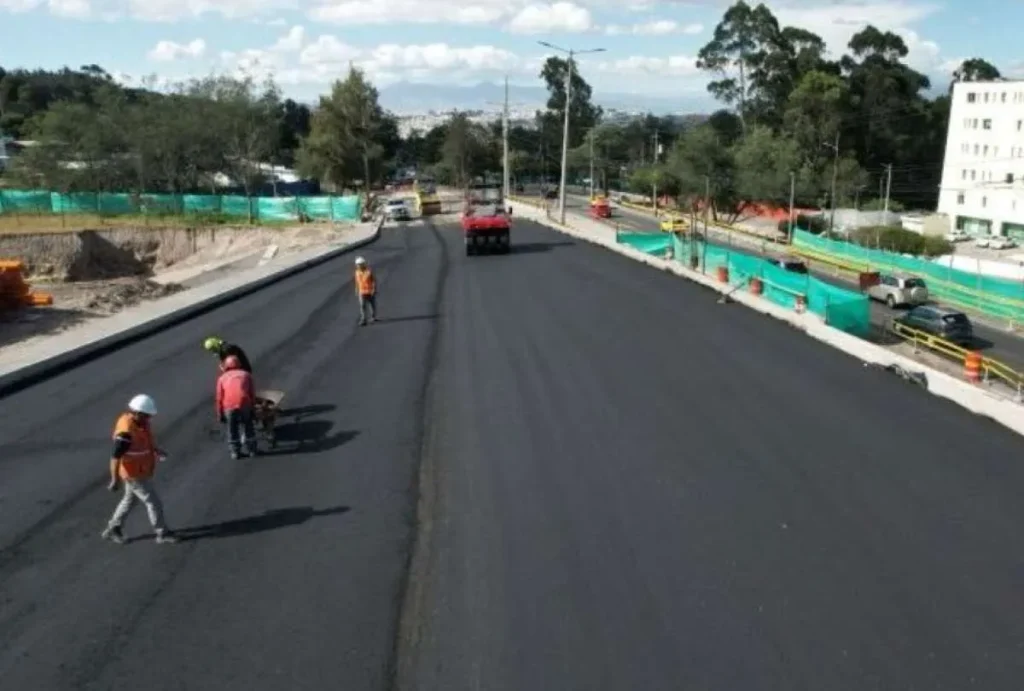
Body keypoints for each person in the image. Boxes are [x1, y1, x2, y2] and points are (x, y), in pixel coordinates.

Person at [101, 394, 179, 545]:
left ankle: (113, 528)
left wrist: (156, 450)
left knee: (129, 500)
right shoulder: (125, 433)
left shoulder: (140, 423)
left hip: (140, 469)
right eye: (146, 415)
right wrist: (114, 479)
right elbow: (115, 457)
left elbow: (144, 441)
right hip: (133, 473)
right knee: (153, 502)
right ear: (136, 412)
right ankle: (162, 532)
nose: (149, 419)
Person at [216, 355, 258, 460]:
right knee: (248, 425)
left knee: (232, 428)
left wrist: (220, 414)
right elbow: (251, 393)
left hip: (229, 406)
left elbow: (219, 398)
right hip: (244, 404)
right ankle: (252, 450)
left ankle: (235, 452)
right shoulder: (246, 375)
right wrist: (252, 408)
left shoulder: (222, 378)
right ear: (239, 364)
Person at [354, 256, 377, 326]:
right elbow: (357, 281)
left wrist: (374, 289)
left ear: (364, 264)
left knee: (371, 305)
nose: (359, 266)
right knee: (362, 306)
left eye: (360, 264)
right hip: (361, 292)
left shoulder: (369, 272)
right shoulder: (357, 272)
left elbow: (373, 281)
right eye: (357, 264)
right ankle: (363, 319)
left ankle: (373, 316)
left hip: (370, 291)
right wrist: (356, 289)